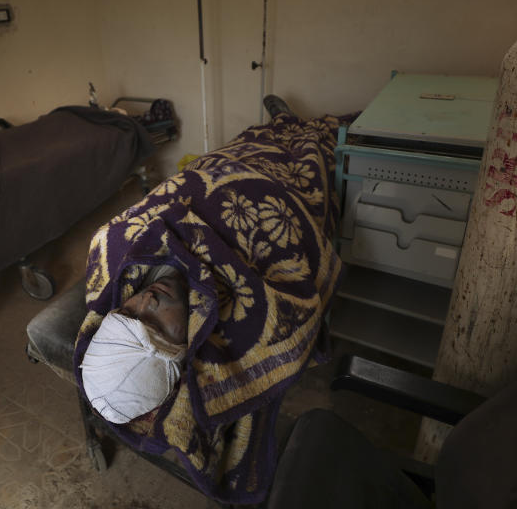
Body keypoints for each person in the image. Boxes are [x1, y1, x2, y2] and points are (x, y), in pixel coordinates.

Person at [75, 96, 358, 504]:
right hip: (275, 191)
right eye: (153, 326)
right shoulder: (231, 332)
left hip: (230, 164)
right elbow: (289, 310)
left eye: (127, 312)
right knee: (312, 151)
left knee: (250, 141)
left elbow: (131, 225)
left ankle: (279, 123)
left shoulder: (116, 252)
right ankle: (291, 126)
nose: (146, 301)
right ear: (181, 352)